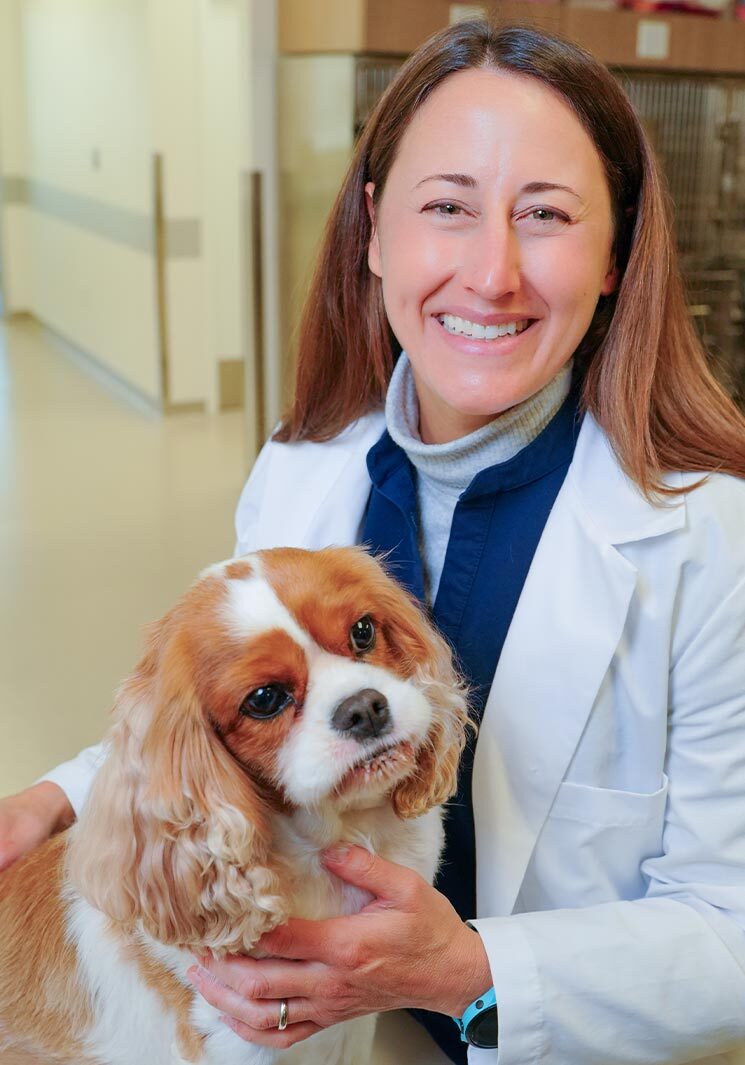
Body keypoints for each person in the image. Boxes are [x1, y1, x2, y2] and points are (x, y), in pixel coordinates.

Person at [2, 19, 745, 1065]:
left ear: (617, 251)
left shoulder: (713, 539)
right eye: (445, 208)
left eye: (545, 215)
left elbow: (733, 933)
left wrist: (469, 974)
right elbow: (238, 697)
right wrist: (58, 795)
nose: (491, 274)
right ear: (373, 232)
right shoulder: (304, 466)